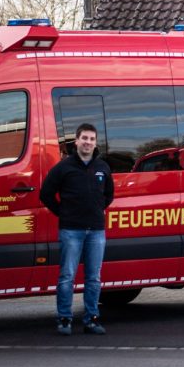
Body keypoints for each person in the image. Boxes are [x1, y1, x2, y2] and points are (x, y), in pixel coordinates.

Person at [40, 123, 114, 336]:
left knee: (94, 278)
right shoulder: (64, 167)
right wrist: (63, 213)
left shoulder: (102, 167)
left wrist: (97, 210)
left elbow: (109, 195)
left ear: (95, 143)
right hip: (71, 230)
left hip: (96, 231)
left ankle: (91, 319)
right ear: (77, 141)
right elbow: (46, 193)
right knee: (67, 276)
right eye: (84, 138)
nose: (88, 142)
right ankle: (64, 319)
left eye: (91, 139)